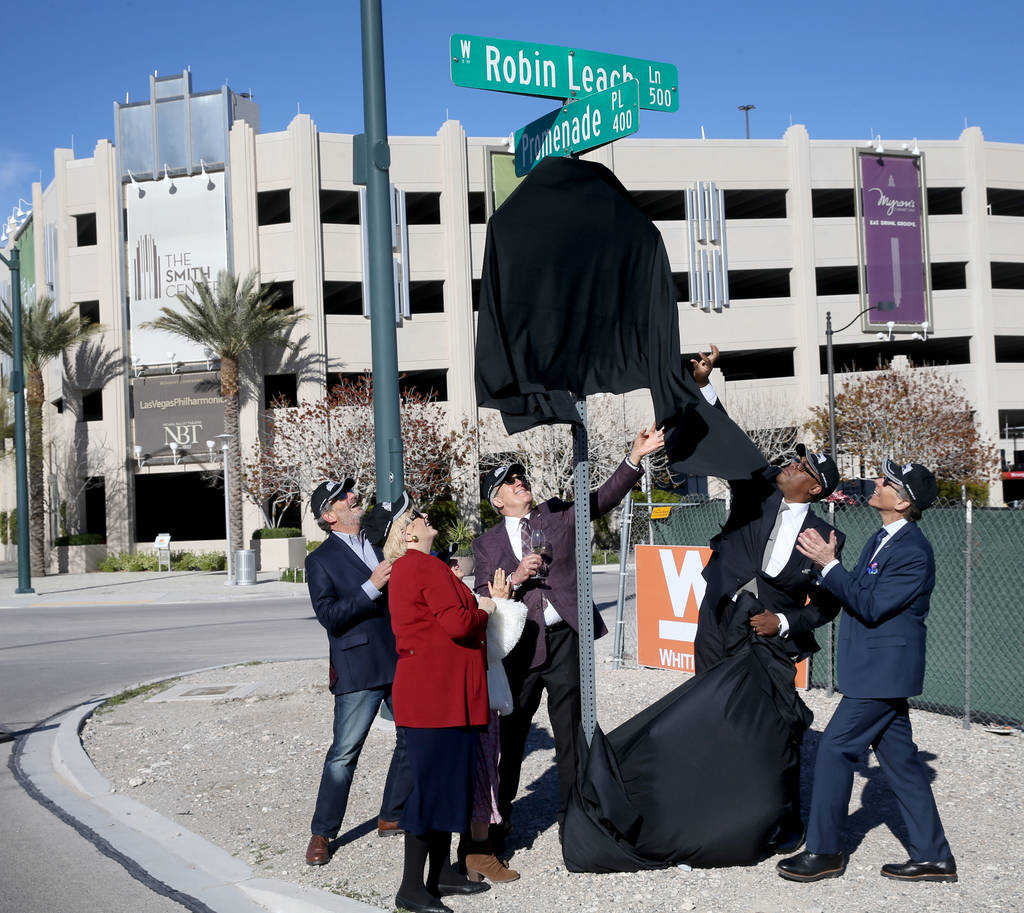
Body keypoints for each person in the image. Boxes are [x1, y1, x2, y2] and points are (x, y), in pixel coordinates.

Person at [472, 424, 665, 835]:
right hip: (519, 649)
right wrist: (519, 577)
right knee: (511, 735)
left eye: (520, 476)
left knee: (571, 737)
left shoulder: (557, 514)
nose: (519, 481)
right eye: (509, 481)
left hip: (565, 642)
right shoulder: (487, 544)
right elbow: (481, 594)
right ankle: (499, 819)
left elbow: (603, 499)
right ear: (497, 500)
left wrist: (635, 458)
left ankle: (573, 820)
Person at [690, 344, 845, 851]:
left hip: (768, 644)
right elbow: (729, 438)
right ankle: (718, 811)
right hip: (718, 622)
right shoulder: (758, 492)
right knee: (712, 715)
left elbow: (826, 606)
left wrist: (782, 621)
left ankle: (784, 819)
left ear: (816, 488)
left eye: (803, 465)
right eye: (796, 457)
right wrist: (704, 385)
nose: (792, 463)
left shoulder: (824, 536)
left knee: (776, 727)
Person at [778, 458, 957, 883]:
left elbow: (873, 606)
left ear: (902, 501)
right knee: (902, 764)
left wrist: (831, 565)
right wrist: (828, 571)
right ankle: (934, 857)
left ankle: (824, 852)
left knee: (835, 749)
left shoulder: (913, 549)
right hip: (877, 671)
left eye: (887, 482)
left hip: (883, 674)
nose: (877, 483)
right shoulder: (884, 536)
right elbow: (862, 592)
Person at [384, 494, 496, 913]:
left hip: (444, 695)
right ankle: (411, 888)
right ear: (407, 532)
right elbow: (458, 623)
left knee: (447, 789)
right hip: (437, 697)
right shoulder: (421, 565)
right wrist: (485, 610)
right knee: (430, 794)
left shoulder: (416, 567)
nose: (426, 516)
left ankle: (440, 875)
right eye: (417, 516)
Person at [303, 479, 410, 867]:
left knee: (413, 737)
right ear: (329, 516)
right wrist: (371, 586)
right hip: (357, 666)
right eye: (343, 497)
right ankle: (322, 833)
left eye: (350, 492)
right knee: (344, 754)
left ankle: (391, 814)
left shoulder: (378, 542)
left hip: (400, 658)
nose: (353, 496)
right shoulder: (319, 560)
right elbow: (329, 616)